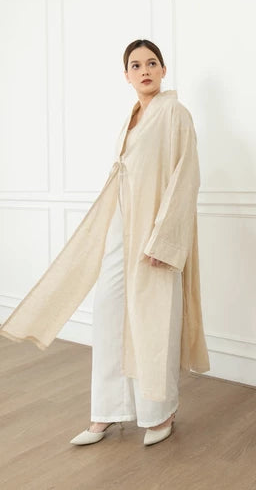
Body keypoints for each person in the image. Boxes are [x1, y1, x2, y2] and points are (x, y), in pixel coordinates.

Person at [1, 39, 210, 446]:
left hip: (154, 232)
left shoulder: (175, 113)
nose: (145, 70)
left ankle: (160, 412)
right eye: (136, 65)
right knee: (109, 312)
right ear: (126, 75)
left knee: (153, 320)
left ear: (164, 70)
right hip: (120, 227)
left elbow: (186, 176)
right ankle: (107, 411)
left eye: (152, 63)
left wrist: (164, 238)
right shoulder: (131, 118)